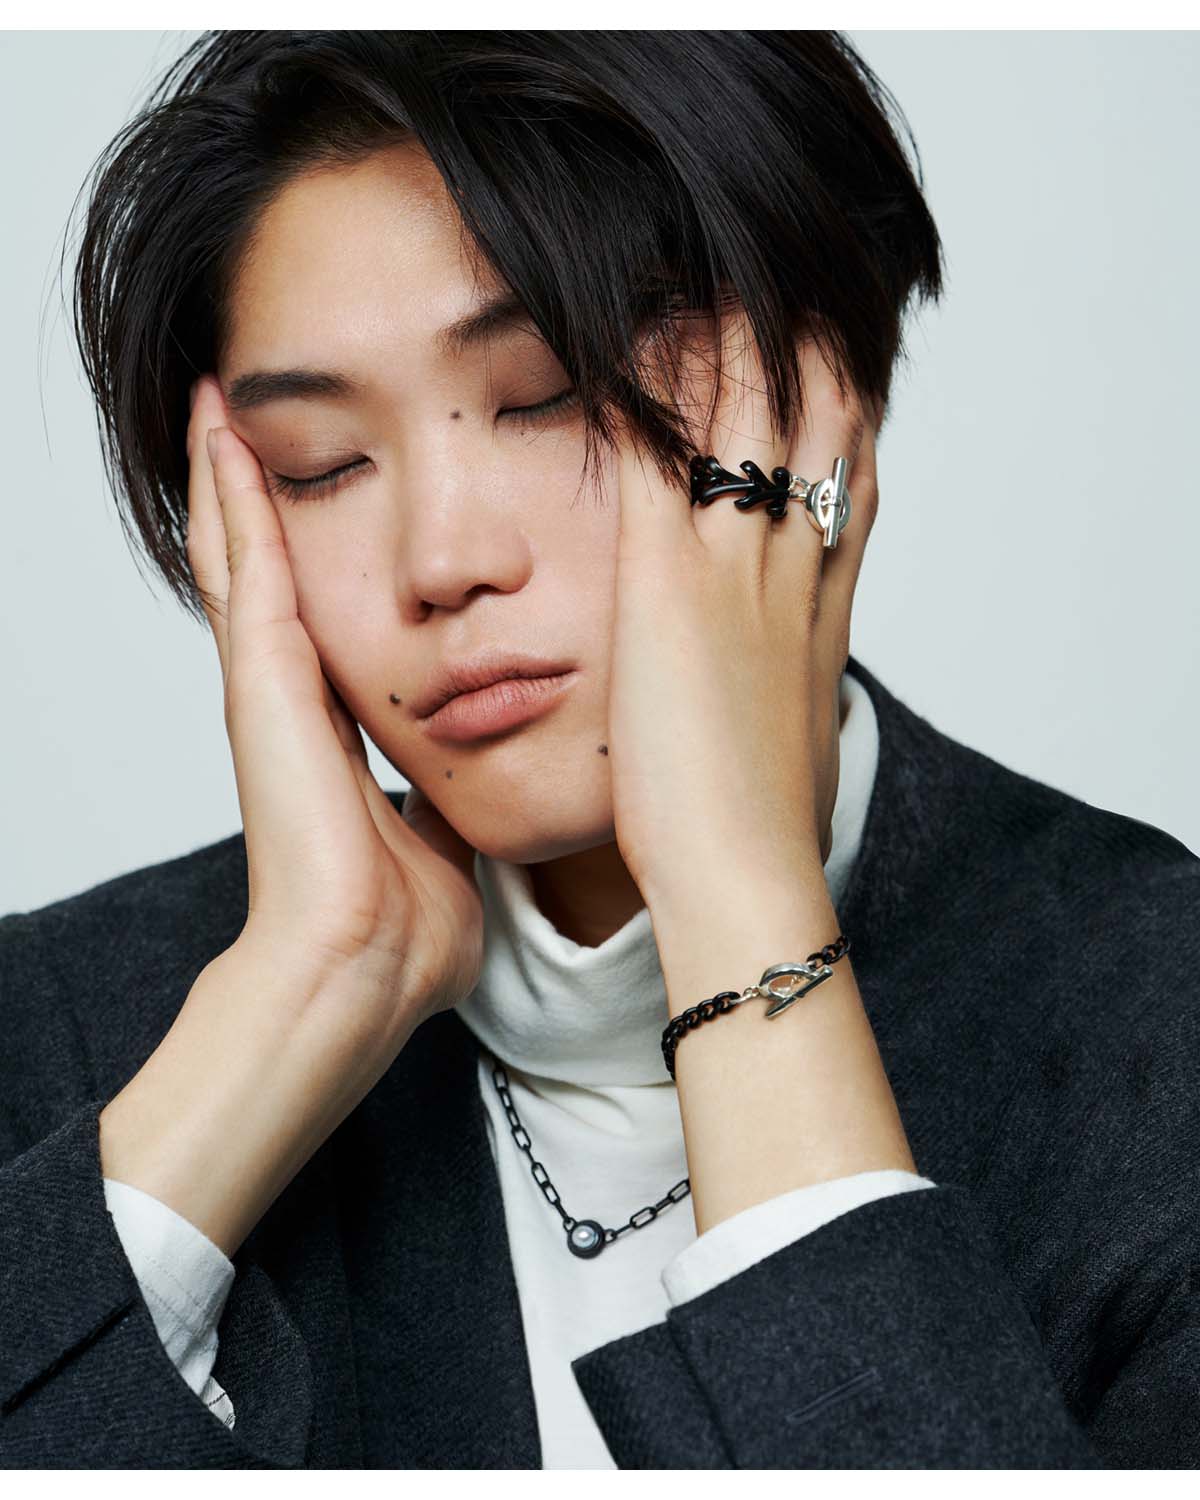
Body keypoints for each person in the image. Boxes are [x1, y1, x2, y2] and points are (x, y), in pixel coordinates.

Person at [1, 31, 1195, 1470]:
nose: (442, 560)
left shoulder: (1155, 1024)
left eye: (545, 396)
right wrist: (297, 1002)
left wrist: (737, 895)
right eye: (321, 464)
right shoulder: (63, 1042)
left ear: (824, 415)